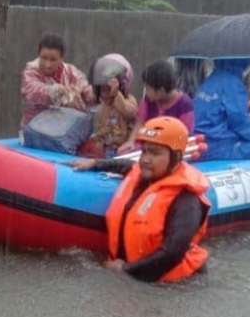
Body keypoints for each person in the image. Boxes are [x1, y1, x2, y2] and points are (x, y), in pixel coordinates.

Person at [68, 117, 211, 283]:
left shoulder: (186, 201)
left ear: (177, 157)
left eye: (155, 153)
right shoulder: (143, 173)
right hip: (136, 273)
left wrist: (125, 270)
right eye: (144, 151)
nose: (145, 159)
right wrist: (94, 163)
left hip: (178, 284)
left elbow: (173, 254)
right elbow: (127, 165)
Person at [192, 58, 250, 161]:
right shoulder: (233, 84)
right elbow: (241, 122)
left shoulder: (211, 80)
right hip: (214, 148)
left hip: (198, 142)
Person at [20, 33, 96, 128]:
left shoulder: (70, 71)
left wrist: (102, 92)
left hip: (67, 131)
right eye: (44, 58)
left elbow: (89, 92)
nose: (47, 64)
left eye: (53, 60)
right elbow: (33, 92)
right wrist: (58, 91)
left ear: (61, 58)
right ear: (38, 55)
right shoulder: (30, 72)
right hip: (35, 130)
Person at [118, 60, 195, 153]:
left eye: (148, 89)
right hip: (148, 143)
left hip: (170, 148)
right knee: (124, 152)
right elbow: (140, 122)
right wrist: (131, 141)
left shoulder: (185, 105)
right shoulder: (149, 100)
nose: (146, 92)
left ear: (161, 91)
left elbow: (184, 135)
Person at [83, 54, 138, 158]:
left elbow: (129, 112)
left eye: (109, 89)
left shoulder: (129, 100)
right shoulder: (104, 104)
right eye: (102, 90)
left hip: (119, 146)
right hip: (104, 143)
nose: (106, 94)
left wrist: (116, 94)